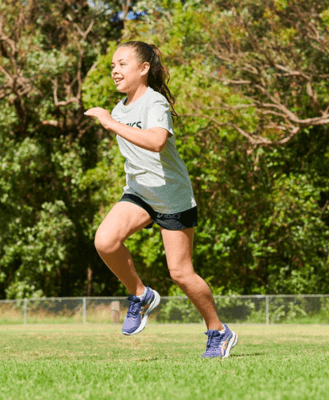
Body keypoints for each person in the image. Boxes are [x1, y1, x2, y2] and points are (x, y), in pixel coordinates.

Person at [84, 41, 238, 358]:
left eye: (122, 63)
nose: (115, 70)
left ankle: (218, 331)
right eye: (112, 65)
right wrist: (114, 120)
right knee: (105, 242)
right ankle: (140, 295)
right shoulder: (118, 109)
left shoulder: (155, 103)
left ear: (143, 69)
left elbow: (156, 142)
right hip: (140, 193)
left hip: (172, 198)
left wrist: (112, 124)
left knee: (180, 273)